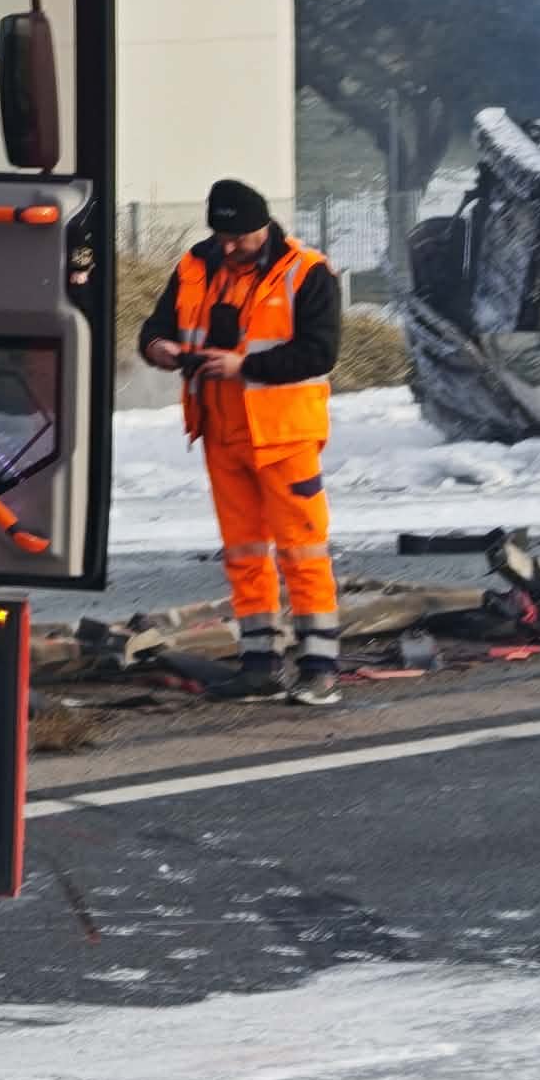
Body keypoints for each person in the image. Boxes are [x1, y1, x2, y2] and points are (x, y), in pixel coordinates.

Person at [138, 179, 348, 703]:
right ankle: (260, 663)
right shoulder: (195, 265)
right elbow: (156, 327)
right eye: (221, 236)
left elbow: (319, 354)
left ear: (263, 226)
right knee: (244, 553)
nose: (229, 247)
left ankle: (319, 666)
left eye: (239, 238)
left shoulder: (307, 271)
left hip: (284, 435)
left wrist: (244, 366)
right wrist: (160, 349)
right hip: (221, 430)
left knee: (302, 551)